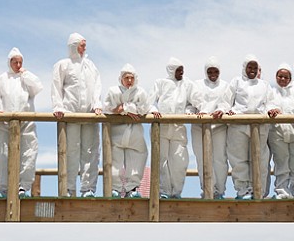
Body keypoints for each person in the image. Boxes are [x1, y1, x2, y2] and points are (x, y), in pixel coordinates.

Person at [51, 33, 102, 197]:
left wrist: (97, 104)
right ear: (73, 45)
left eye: (85, 44)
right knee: (70, 151)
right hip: (70, 114)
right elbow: (56, 86)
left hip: (89, 115)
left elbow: (97, 87)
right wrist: (58, 106)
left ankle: (88, 189)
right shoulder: (63, 65)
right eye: (81, 44)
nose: (84, 47)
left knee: (90, 152)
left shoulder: (90, 66)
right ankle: (68, 188)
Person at [0, 47, 43, 198]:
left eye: (20, 62)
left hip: (26, 122)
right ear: (10, 62)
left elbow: (38, 87)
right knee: (3, 155)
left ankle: (24, 187)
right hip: (4, 123)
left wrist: (26, 74)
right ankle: (3, 187)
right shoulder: (1, 79)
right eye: (15, 62)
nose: (18, 65)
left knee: (29, 152)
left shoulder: (26, 78)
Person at [149, 57, 202, 199]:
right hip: (161, 127)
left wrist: (190, 111)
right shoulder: (160, 83)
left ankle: (176, 191)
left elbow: (196, 101)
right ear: (172, 71)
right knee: (161, 160)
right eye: (178, 70)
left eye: (182, 70)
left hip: (179, 126)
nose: (181, 73)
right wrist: (153, 110)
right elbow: (150, 100)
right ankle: (164, 191)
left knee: (180, 160)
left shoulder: (187, 84)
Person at [227, 54, 276, 198]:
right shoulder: (236, 82)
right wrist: (225, 110)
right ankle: (243, 189)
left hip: (259, 125)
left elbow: (270, 102)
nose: (252, 70)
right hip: (238, 124)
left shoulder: (264, 85)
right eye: (250, 67)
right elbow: (226, 100)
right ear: (244, 68)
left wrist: (272, 109)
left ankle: (258, 189)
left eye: (255, 67)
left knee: (260, 158)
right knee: (239, 158)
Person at [103, 64, 149, 198]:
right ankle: (115, 189)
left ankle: (132, 188)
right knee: (115, 163)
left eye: (131, 78)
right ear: (121, 79)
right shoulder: (113, 91)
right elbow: (107, 108)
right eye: (126, 78)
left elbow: (144, 109)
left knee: (137, 159)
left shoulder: (140, 92)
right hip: (117, 133)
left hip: (135, 134)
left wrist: (124, 108)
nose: (129, 81)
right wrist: (125, 109)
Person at [191, 57, 234, 199]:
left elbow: (228, 103)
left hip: (219, 126)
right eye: (210, 71)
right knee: (202, 158)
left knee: (220, 159)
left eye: (215, 71)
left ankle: (219, 191)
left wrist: (222, 110)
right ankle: (207, 190)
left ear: (219, 71)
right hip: (199, 127)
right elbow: (191, 102)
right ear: (205, 71)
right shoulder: (197, 84)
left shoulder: (226, 85)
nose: (213, 74)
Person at [267, 64, 294, 199]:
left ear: (290, 78)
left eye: (286, 77)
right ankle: (282, 191)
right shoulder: (271, 92)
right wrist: (272, 110)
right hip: (277, 132)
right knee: (281, 162)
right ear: (276, 77)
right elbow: (268, 105)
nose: (283, 79)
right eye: (280, 76)